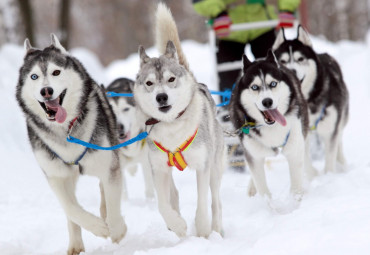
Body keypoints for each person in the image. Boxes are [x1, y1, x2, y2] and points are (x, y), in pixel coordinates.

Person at [193, 0, 301, 91]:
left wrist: (287, 7)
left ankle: (283, 102)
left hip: (262, 24)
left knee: (276, 71)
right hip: (228, 30)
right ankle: (228, 109)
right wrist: (217, 12)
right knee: (228, 78)